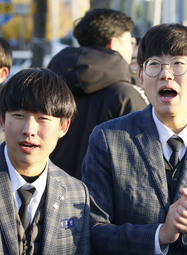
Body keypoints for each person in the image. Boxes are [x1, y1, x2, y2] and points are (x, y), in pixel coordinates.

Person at [81, 23, 187, 255]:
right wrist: (160, 234)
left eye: (178, 64)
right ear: (140, 77)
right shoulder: (108, 139)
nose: (165, 74)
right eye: (154, 65)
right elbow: (93, 231)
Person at [48, 8, 148, 179]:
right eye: (130, 41)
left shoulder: (50, 83)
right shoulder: (126, 94)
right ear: (113, 43)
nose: (132, 48)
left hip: (52, 194)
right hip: (105, 201)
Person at [0, 68, 90, 254]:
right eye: (19, 116)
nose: (29, 130)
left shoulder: (76, 193)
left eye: (43, 118)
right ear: (1, 120)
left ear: (63, 127)